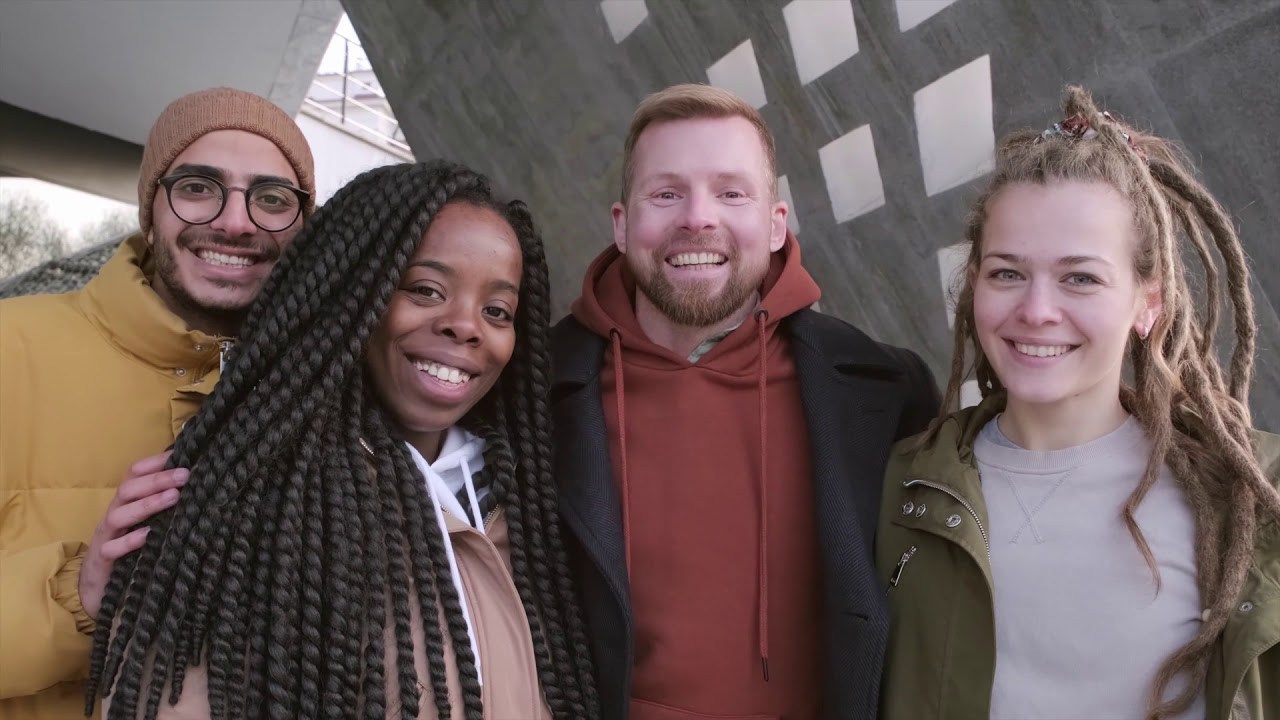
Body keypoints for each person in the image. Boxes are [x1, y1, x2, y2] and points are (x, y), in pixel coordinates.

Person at [88, 161, 600, 720]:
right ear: (352, 298)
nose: (466, 325)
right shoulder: (241, 510)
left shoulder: (530, 513)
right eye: (426, 290)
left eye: (497, 310)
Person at [876, 86, 1280, 720]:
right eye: (1007, 272)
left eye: (1081, 277)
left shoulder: (1252, 494)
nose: (1037, 311)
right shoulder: (903, 484)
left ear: (1150, 303)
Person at [551, 83, 940, 720]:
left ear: (776, 223)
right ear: (622, 224)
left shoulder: (883, 389)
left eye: (731, 193)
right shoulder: (536, 390)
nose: (698, 218)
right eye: (666, 192)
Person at [0, 87, 314, 719]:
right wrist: (77, 595)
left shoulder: (322, 394)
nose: (236, 221)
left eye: (272, 198)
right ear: (150, 210)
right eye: (199, 187)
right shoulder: (12, 346)